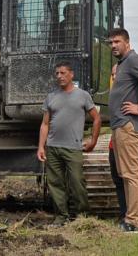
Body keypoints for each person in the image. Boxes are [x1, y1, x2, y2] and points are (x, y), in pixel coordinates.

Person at [37, 60, 101, 226]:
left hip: (73, 148)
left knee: (77, 182)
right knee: (56, 183)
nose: (59, 76)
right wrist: (41, 147)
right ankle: (61, 217)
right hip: (53, 148)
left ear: (71, 74)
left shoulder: (83, 95)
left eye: (63, 73)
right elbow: (45, 124)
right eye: (57, 73)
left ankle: (82, 217)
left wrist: (93, 141)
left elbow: (96, 118)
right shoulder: (51, 97)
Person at [107, 28, 138, 233]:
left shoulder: (134, 60)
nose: (113, 46)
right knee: (124, 174)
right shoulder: (123, 64)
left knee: (131, 174)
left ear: (127, 42)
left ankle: (134, 221)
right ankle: (129, 216)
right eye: (110, 43)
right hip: (120, 125)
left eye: (117, 42)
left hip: (128, 125)